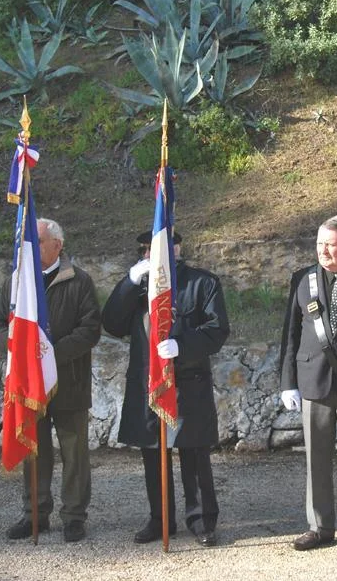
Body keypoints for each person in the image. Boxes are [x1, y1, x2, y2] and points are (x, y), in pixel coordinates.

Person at [102, 230, 230, 546]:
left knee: (194, 453)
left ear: (176, 249)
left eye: (157, 248)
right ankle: (160, 519)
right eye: (146, 250)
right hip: (148, 381)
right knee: (152, 453)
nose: (150, 254)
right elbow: (113, 323)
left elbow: (217, 330)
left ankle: (201, 520)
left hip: (188, 381)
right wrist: (130, 282)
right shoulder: (139, 286)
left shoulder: (201, 282)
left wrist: (182, 345)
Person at [0, 218, 102, 543]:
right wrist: (14, 344)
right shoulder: (16, 283)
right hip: (28, 385)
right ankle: (34, 514)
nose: (31, 248)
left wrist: (49, 355)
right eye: (29, 242)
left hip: (70, 382)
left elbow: (90, 330)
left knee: (74, 454)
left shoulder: (79, 281)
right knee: (33, 450)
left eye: (37, 241)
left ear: (57, 245)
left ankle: (74, 517)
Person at [279, 215, 337, 554]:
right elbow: (290, 334)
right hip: (313, 380)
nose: (323, 251)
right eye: (319, 244)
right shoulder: (303, 279)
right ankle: (319, 526)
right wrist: (287, 383)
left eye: (331, 244)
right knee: (316, 459)